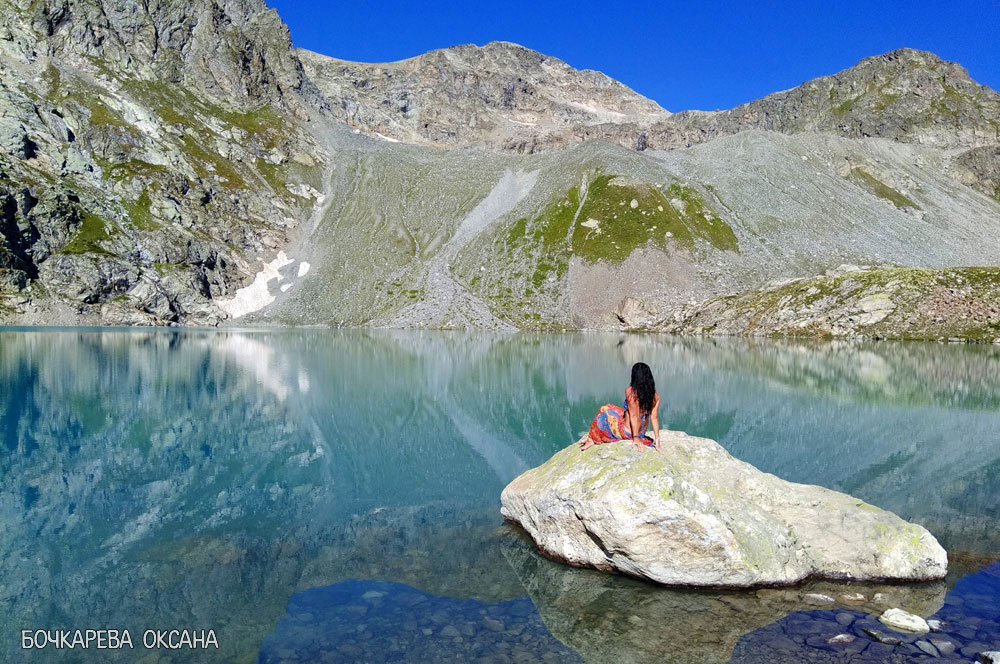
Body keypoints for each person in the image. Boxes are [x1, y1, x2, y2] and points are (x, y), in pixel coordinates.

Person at [581, 362, 661, 453]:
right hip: (641, 433)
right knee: (614, 409)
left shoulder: (630, 391)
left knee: (604, 409)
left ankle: (592, 439)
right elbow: (654, 418)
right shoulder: (655, 396)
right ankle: (591, 438)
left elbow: (634, 416)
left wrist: (635, 438)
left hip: (628, 432)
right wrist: (657, 438)